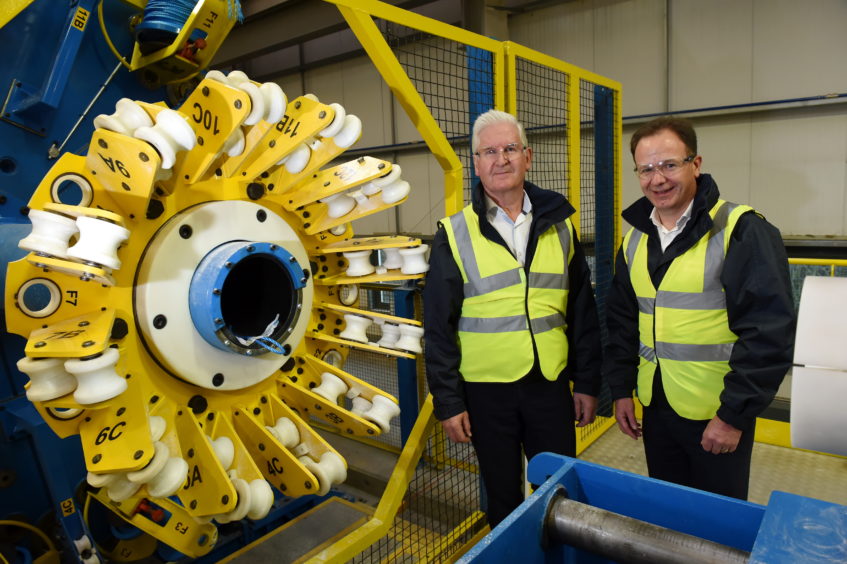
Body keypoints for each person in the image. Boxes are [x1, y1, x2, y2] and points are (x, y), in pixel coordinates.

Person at [423, 109, 603, 527]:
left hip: (549, 385)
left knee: (559, 491)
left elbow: (582, 312)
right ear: (476, 163)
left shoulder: (560, 226)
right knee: (502, 499)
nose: (500, 159)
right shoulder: (455, 233)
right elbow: (438, 328)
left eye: (509, 148)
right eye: (488, 151)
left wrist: (588, 383)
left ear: (528, 156)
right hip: (487, 394)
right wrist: (449, 403)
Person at [604, 116, 796, 500]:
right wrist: (621, 389)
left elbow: (769, 333)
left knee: (716, 526)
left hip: (717, 412)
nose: (658, 179)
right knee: (670, 514)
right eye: (646, 169)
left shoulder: (740, 230)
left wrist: (733, 416)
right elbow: (622, 323)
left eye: (669, 165)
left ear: (696, 163)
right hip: (657, 407)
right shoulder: (634, 242)